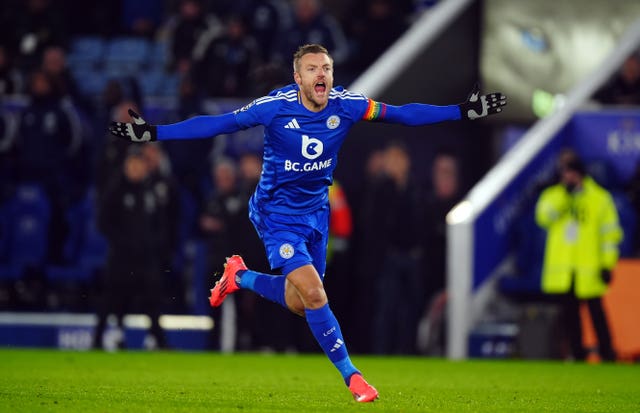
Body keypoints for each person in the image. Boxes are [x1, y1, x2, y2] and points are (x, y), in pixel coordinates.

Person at [109, 43, 506, 402]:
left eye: (327, 68)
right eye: (313, 69)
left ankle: (241, 277)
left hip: (317, 215)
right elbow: (217, 124)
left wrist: (463, 111)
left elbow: (402, 115)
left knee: (302, 304)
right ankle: (353, 377)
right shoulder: (274, 107)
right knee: (316, 295)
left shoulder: (347, 105)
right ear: (297, 77)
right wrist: (154, 133)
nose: (322, 75)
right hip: (275, 215)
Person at [535, 153, 622, 362]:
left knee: (597, 315)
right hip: (564, 269)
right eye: (565, 173)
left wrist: (607, 264)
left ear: (581, 173)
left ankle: (608, 355)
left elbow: (610, 235)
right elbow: (543, 217)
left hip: (589, 268)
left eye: (572, 172)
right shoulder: (554, 195)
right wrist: (565, 196)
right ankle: (577, 354)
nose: (569, 177)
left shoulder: (599, 198)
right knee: (570, 317)